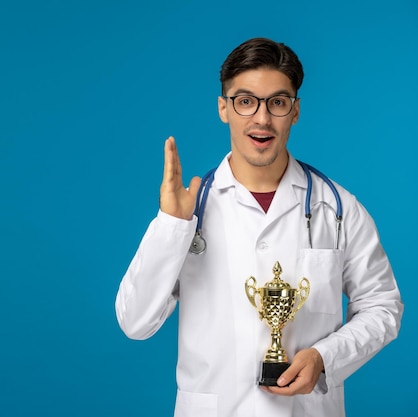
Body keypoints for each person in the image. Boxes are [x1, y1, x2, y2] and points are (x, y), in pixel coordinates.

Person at [115, 37, 403, 417]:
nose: (262, 119)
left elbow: (382, 306)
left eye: (277, 102)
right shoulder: (190, 212)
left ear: (295, 111)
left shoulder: (338, 208)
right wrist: (172, 225)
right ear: (223, 108)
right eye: (245, 101)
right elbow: (135, 322)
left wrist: (324, 357)